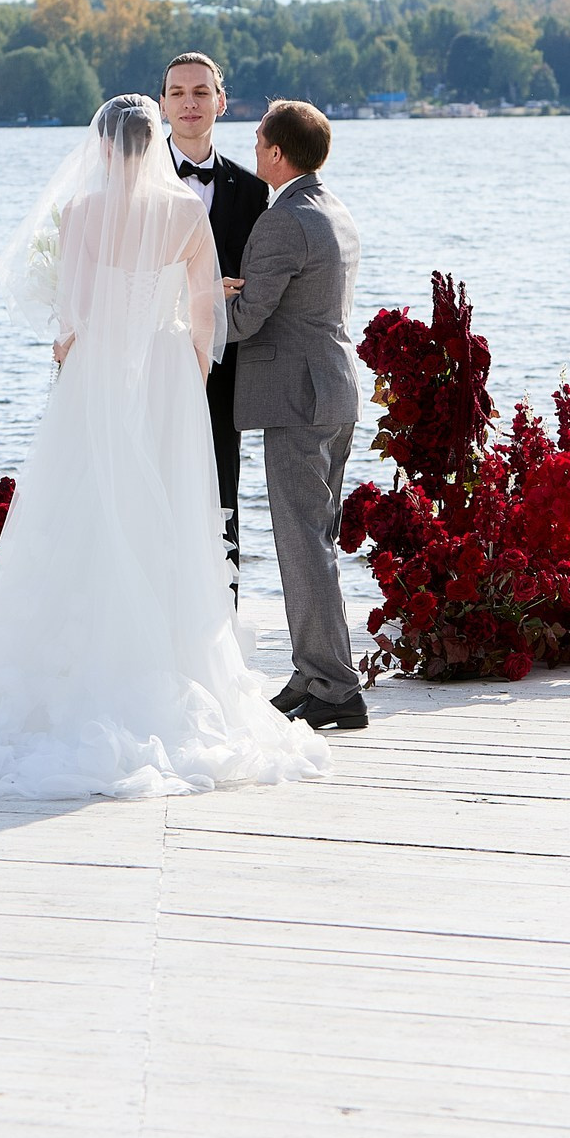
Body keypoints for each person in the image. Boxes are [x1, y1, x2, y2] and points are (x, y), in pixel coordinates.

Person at [0, 95, 331, 798]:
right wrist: (192, 366)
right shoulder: (186, 212)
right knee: (167, 516)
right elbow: (205, 307)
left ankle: (60, 671)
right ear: (152, 143)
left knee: (79, 512)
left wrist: (77, 357)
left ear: (107, 148)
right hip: (167, 375)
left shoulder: (81, 214)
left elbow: (74, 313)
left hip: (96, 375)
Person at [225, 99, 368, 731]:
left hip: (298, 397)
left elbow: (247, 318)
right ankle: (316, 672)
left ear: (277, 152)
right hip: (332, 392)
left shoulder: (283, 221)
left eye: (258, 139)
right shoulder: (331, 208)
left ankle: (335, 685)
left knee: (302, 541)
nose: (253, 148)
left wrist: (179, 308)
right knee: (317, 536)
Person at [160, 52, 270, 595]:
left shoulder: (252, 192)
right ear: (161, 105)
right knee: (150, 485)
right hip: (148, 360)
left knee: (222, 489)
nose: (190, 103)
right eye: (178, 93)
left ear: (221, 103)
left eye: (201, 92)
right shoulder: (134, 181)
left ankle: (221, 619)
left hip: (223, 368)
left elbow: (256, 285)